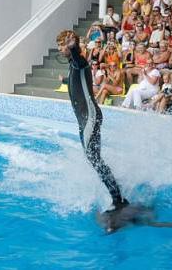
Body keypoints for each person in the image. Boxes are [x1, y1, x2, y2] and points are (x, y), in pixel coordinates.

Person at [56, 30, 128, 209]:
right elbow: (78, 80)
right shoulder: (73, 65)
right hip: (84, 120)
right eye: (59, 46)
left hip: (90, 118)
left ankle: (118, 200)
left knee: (94, 159)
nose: (60, 49)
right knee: (93, 159)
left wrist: (74, 47)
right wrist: (65, 80)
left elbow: (79, 59)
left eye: (62, 45)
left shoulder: (79, 62)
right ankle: (117, 193)